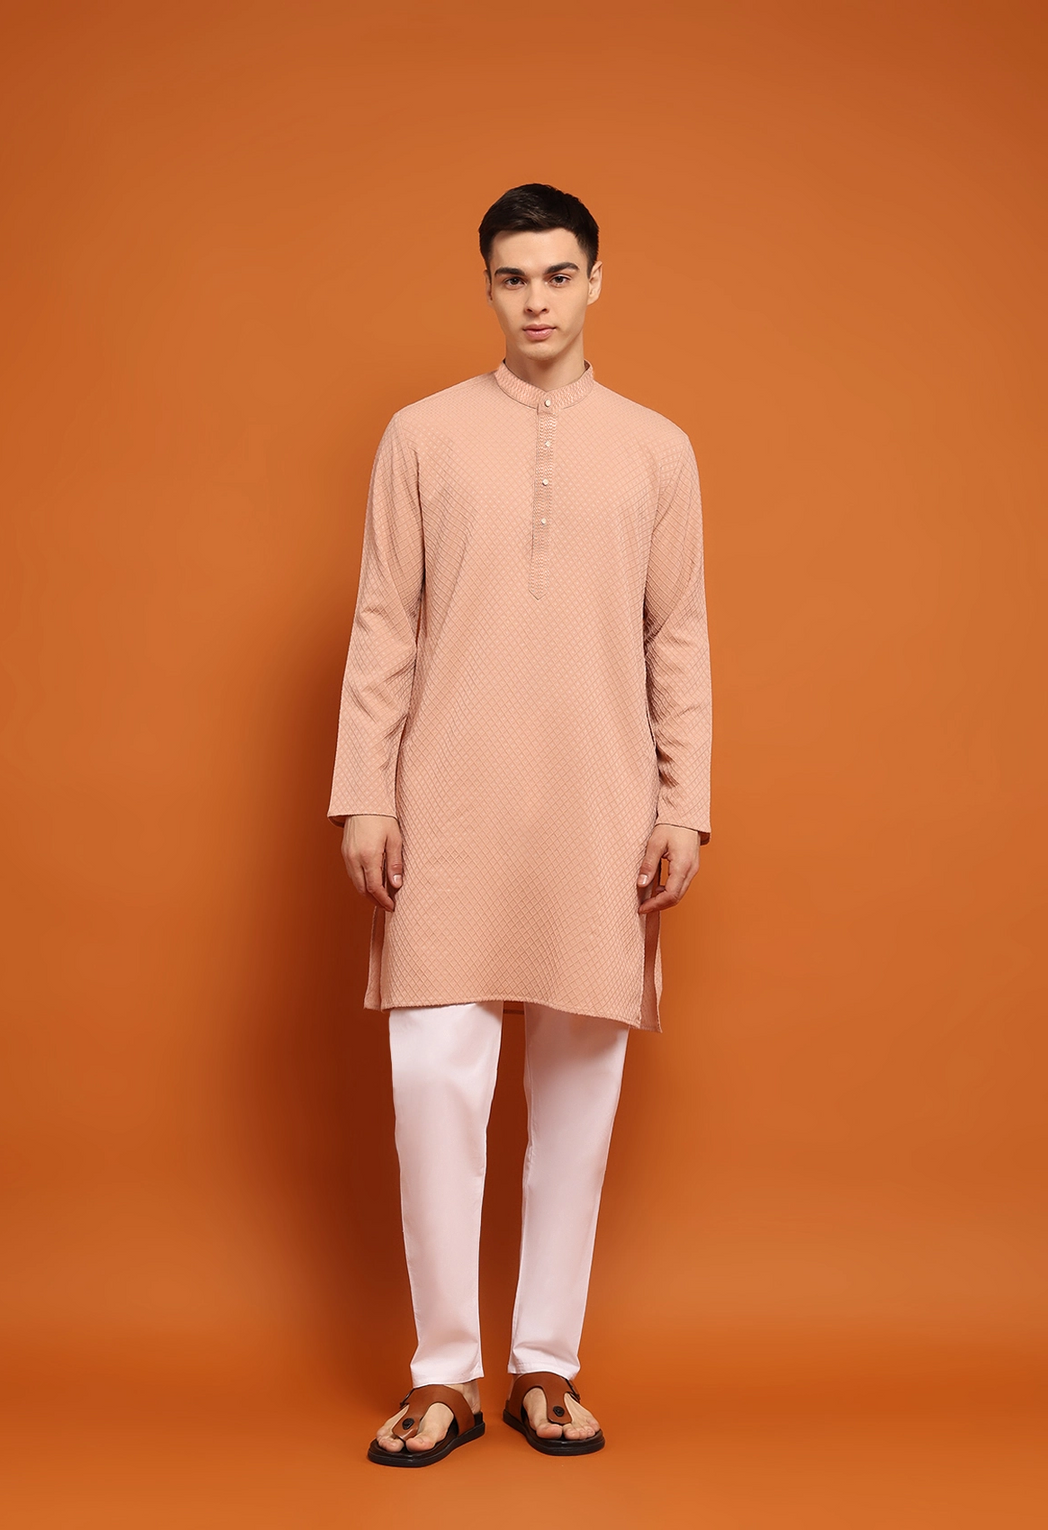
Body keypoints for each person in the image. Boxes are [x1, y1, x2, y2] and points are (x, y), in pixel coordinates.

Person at [327, 183, 712, 1466]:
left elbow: (678, 639)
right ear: (486, 286)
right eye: (512, 278)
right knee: (434, 1086)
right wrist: (367, 793)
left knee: (578, 1099)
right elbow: (385, 622)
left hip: (602, 807)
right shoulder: (422, 437)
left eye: (556, 275)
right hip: (447, 803)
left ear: (597, 279)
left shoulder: (658, 450)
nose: (536, 301)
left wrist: (685, 804)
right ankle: (443, 1373)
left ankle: (547, 1363)